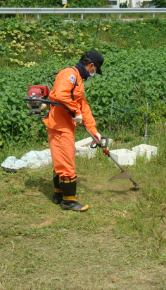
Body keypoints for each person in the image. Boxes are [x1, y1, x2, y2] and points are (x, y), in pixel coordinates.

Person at [42, 50, 104, 212]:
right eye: (95, 69)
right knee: (66, 162)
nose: (94, 73)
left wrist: (94, 131)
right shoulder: (69, 74)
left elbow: (84, 107)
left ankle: (58, 194)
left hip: (64, 126)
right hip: (60, 126)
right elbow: (61, 95)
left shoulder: (78, 79)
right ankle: (69, 201)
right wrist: (75, 112)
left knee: (61, 161)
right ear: (91, 65)